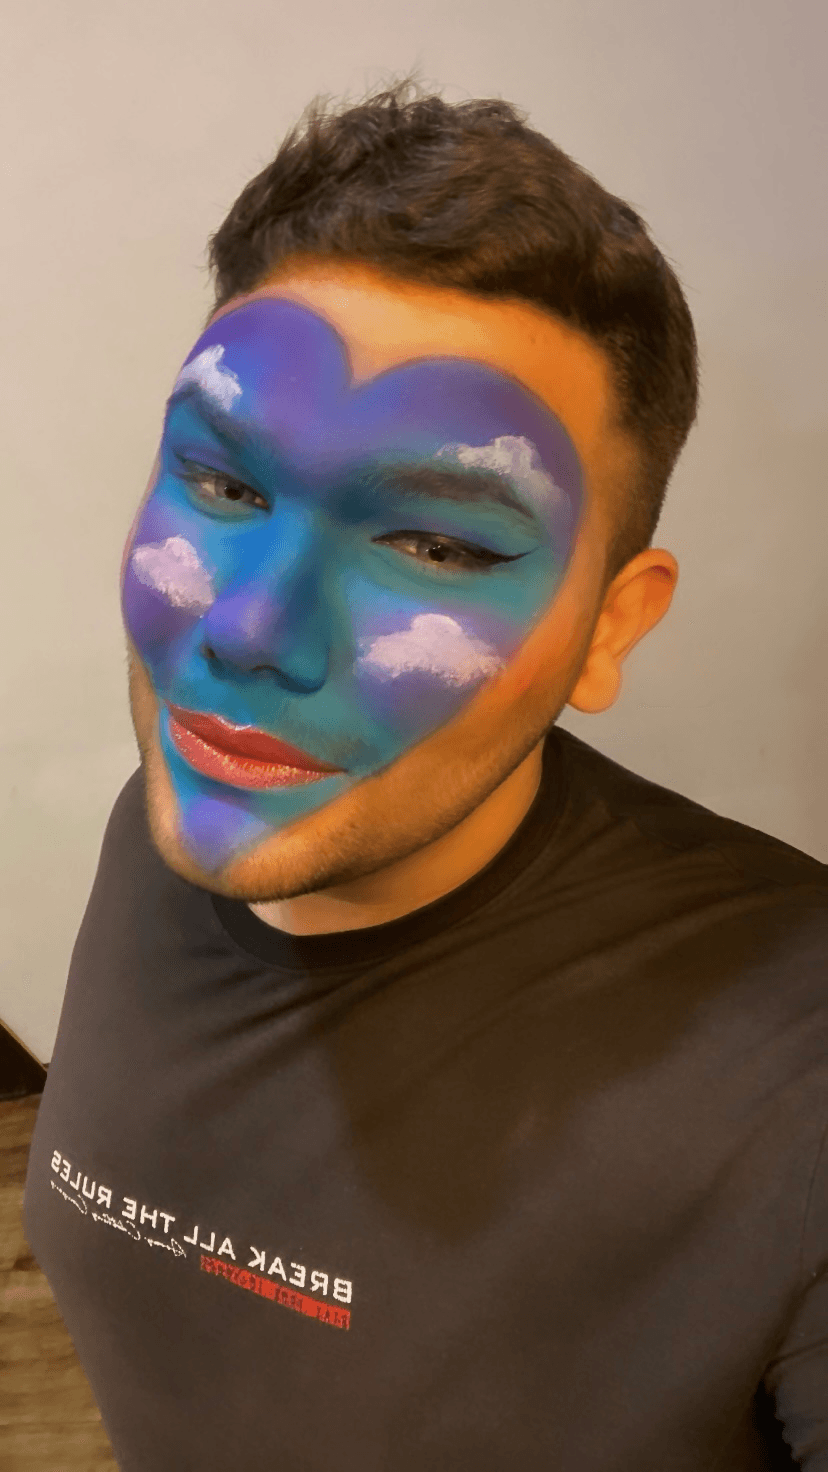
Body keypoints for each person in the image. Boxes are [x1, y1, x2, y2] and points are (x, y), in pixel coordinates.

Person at [23, 73, 828, 1471]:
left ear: (611, 625)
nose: (249, 632)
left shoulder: (792, 1075)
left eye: (436, 546)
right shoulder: (183, 812)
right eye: (225, 485)